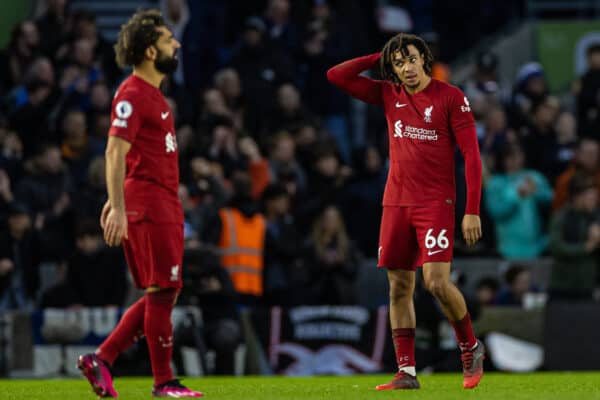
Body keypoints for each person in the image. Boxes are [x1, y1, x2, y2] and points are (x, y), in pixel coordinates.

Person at [327, 33, 484, 390]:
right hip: (396, 202)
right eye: (398, 63)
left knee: (437, 282)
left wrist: (471, 210)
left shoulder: (451, 97)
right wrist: (378, 56)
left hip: (435, 203)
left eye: (411, 59)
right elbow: (336, 76)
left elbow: (472, 156)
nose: (406, 68)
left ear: (424, 59)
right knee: (399, 286)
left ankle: (470, 347)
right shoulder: (387, 94)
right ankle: (407, 372)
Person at [76, 10, 202, 398]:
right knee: (163, 290)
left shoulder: (153, 95)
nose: (176, 44)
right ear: (150, 51)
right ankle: (163, 381)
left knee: (160, 291)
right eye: (168, 40)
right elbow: (114, 151)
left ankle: (103, 358)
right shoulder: (133, 93)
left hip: (157, 199)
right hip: (149, 202)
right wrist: (116, 205)